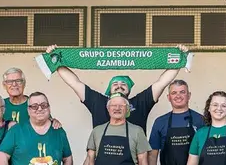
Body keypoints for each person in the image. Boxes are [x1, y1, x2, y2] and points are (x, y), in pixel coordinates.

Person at [47, 44, 186, 131]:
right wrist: (56, 61)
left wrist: (180, 59)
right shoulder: (97, 101)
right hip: (102, 163)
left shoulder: (140, 102)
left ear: (129, 90)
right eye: (115, 84)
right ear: (109, 89)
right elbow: (74, 82)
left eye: (123, 84)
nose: (119, 86)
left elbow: (162, 82)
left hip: (134, 164)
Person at [75, 93, 149, 165]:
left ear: (127, 109)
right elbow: (89, 162)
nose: (117, 108)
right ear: (108, 108)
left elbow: (144, 163)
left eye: (121, 105)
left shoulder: (137, 131)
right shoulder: (97, 131)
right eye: (113, 105)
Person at [146, 80, 203, 165]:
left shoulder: (201, 120)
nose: (178, 96)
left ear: (189, 95)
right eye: (174, 93)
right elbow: (152, 157)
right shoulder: (160, 122)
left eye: (182, 92)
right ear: (168, 97)